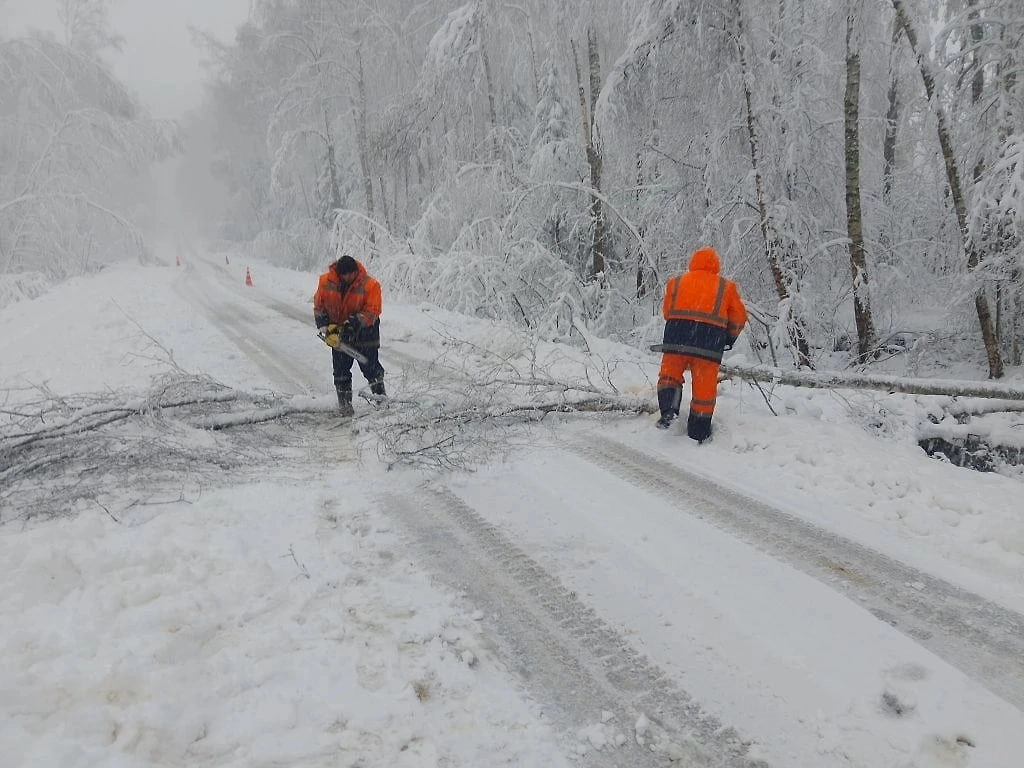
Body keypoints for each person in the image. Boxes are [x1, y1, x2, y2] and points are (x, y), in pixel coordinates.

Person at [656, 246, 747, 442]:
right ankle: (698, 431)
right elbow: (739, 318)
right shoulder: (726, 287)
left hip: (676, 340)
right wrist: (728, 338)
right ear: (716, 266)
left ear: (692, 263)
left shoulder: (676, 283)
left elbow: (667, 313)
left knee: (669, 376)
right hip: (708, 344)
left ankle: (668, 415)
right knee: (704, 386)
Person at [314, 254, 386, 415]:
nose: (348, 277)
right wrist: (324, 326)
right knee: (340, 372)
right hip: (339, 334)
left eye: (350, 274)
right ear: (339, 273)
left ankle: (382, 402)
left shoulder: (370, 285)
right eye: (344, 275)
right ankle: (345, 406)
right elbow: (319, 306)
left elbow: (373, 310)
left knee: (371, 369)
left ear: (355, 271)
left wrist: (354, 322)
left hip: (366, 334)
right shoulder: (325, 282)